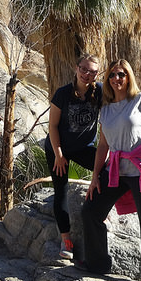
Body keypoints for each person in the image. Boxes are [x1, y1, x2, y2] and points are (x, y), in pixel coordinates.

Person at [77, 58, 141, 281]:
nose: (116, 79)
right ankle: (98, 264)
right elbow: (103, 145)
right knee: (90, 210)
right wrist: (94, 178)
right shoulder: (107, 108)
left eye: (121, 74)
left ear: (128, 76)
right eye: (112, 75)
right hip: (116, 171)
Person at [45, 54, 103, 259]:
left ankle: (98, 215)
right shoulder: (63, 94)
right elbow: (52, 126)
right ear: (76, 68)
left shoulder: (101, 92)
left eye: (92, 71)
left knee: (108, 169)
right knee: (61, 191)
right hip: (57, 148)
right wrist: (59, 155)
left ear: (97, 73)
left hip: (83, 148)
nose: (87, 74)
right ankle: (66, 241)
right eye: (84, 69)